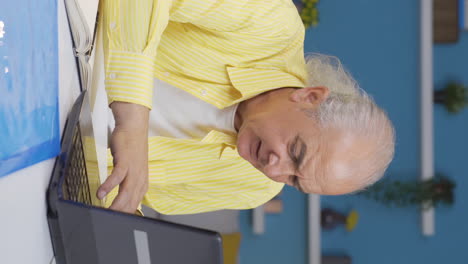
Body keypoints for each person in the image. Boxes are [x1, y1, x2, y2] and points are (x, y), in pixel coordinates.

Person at [96, 0, 395, 215]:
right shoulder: (272, 24)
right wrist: (132, 123)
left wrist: (120, 214)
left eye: (293, 180)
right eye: (295, 151)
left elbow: (123, 195)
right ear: (310, 97)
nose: (273, 168)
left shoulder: (254, 188)